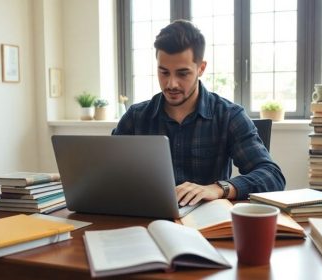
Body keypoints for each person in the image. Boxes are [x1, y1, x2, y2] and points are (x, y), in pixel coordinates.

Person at [113, 19, 286, 206]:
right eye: (164, 72)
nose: (171, 84)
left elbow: (272, 176)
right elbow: (106, 172)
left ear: (201, 68)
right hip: (147, 221)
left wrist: (219, 188)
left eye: (182, 73)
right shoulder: (135, 117)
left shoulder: (229, 116)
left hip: (206, 224)